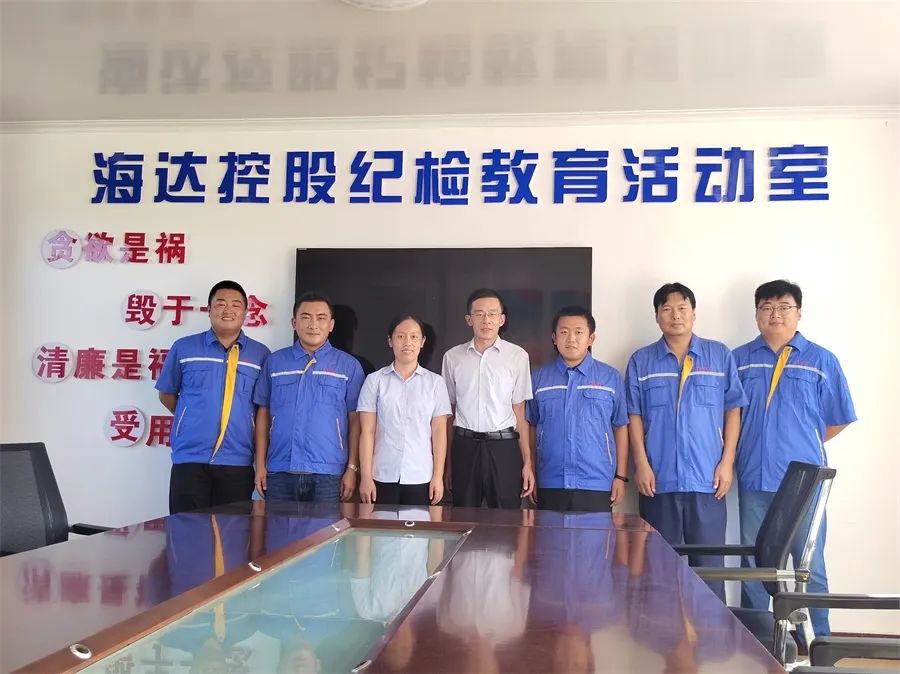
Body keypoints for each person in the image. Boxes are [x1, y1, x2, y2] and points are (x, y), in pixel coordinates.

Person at [733, 279, 856, 636]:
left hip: (805, 485)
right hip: (754, 478)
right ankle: (758, 640)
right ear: (756, 314)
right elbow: (728, 417)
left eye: (784, 306)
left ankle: (818, 642)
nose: (775, 314)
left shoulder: (821, 360)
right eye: (766, 307)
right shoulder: (738, 360)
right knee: (755, 566)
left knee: (809, 566)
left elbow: (839, 417)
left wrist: (800, 443)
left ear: (798, 313)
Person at [625, 283, 746, 599]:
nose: (675, 316)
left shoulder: (718, 355)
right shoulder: (641, 361)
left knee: (709, 573)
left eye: (682, 308)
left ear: (694, 313)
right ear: (657, 316)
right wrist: (641, 464)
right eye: (667, 309)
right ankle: (662, 629)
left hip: (707, 480)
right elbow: (634, 415)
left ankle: (709, 630)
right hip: (658, 480)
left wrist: (727, 463)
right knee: (658, 571)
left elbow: (733, 410)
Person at [156, 280, 270, 514]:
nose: (228, 310)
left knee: (231, 531)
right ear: (209, 310)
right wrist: (191, 417)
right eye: (220, 304)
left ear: (246, 312)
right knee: (186, 529)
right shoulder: (184, 348)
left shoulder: (261, 355)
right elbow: (167, 394)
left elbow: (262, 410)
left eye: (236, 305)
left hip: (237, 460)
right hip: (190, 458)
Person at [253, 291, 364, 502]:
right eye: (305, 317)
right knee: (278, 525)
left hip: (329, 473)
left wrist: (352, 468)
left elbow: (355, 419)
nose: (313, 325)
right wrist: (260, 465)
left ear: (331, 325)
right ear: (294, 323)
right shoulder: (275, 362)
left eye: (321, 318)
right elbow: (263, 414)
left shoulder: (348, 366)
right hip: (280, 469)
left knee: (326, 526)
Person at [526, 306, 629, 512]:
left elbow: (620, 426)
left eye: (579, 332)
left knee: (595, 534)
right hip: (550, 480)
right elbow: (531, 426)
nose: (571, 339)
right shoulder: (539, 378)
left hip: (597, 481)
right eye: (564, 332)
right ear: (554, 338)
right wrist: (533, 473)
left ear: (591, 338)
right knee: (549, 534)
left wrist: (620, 476)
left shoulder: (610, 377)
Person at [441, 288, 534, 508]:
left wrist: (527, 462)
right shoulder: (452, 357)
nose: (486, 320)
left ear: (502, 319)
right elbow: (448, 413)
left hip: (504, 447)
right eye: (479, 314)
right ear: (469, 319)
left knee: (506, 520)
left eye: (492, 314)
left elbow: (520, 411)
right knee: (463, 516)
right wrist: (447, 463)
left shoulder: (518, 356)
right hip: (464, 447)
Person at [357, 314, 451, 506]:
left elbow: (439, 432)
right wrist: (365, 477)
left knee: (418, 525)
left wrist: (438, 476)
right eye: (400, 336)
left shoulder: (435, 383)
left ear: (422, 342)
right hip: (381, 474)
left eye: (414, 337)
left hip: (421, 475)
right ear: (390, 341)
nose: (407, 342)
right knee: (380, 525)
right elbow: (367, 431)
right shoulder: (375, 381)